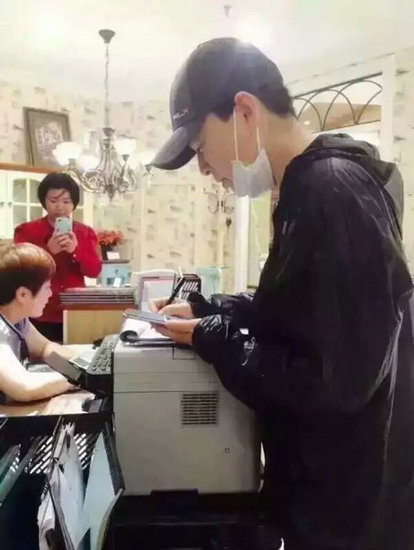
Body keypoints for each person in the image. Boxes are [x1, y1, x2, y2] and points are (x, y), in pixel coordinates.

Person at [149, 38, 414, 549]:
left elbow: (333, 384)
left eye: (200, 148)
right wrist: (213, 308)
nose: (204, 170)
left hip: (347, 509)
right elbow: (305, 314)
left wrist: (217, 338)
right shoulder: (308, 188)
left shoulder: (331, 191)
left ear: (244, 111)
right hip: (330, 489)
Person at [14, 173, 102, 342]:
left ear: (74, 203)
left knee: (76, 352)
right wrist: (48, 251)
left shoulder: (85, 232)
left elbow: (94, 271)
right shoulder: (26, 231)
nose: (60, 207)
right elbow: (18, 271)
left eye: (66, 201)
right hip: (38, 310)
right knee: (37, 354)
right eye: (54, 201)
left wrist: (75, 250)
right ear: (44, 201)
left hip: (75, 310)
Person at [0, 243, 77, 403]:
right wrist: (80, 377)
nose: (51, 294)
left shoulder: (17, 319)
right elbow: (24, 388)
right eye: (47, 287)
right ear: (23, 294)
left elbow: (44, 349)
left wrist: (85, 363)